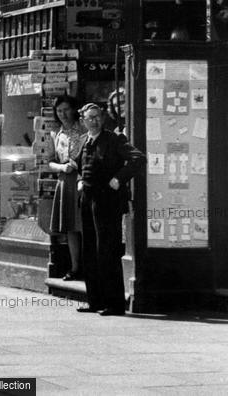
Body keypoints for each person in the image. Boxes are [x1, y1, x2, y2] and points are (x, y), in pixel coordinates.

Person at [76, 102, 146, 315]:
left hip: (107, 200)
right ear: (83, 121)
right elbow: (80, 164)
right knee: (89, 249)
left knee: (106, 249)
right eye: (90, 118)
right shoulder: (83, 140)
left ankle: (113, 304)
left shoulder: (114, 139)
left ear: (103, 118)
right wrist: (80, 180)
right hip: (88, 198)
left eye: (98, 116)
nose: (95, 121)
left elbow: (138, 158)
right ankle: (95, 300)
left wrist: (119, 179)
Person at [47, 94, 86, 281]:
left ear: (74, 109)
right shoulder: (56, 133)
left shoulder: (84, 129)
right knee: (71, 227)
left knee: (85, 225)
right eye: (59, 110)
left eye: (66, 109)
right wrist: (62, 167)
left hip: (82, 179)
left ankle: (90, 266)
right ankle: (75, 266)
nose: (63, 114)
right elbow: (49, 162)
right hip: (65, 181)